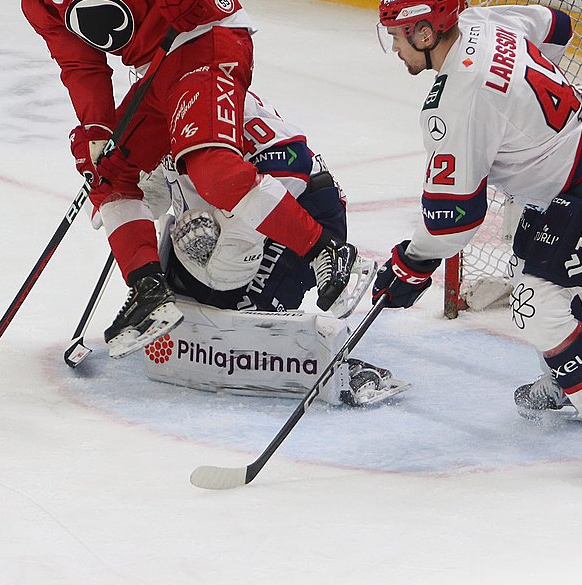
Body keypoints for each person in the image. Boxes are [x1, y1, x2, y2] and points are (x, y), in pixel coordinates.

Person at [0, 0, 357, 358]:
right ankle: (147, 290)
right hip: (157, 72)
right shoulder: (37, 0)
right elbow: (81, 66)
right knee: (107, 171)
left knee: (212, 168)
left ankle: (327, 252)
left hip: (206, 37)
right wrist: (96, 129)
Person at [370, 0, 582, 484]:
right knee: (533, 272)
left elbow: (456, 220)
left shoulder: (459, 101)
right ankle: (566, 381)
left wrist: (409, 264)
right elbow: (557, 26)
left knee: (536, 305)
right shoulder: (480, 21)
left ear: (425, 33)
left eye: (396, 35)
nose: (393, 47)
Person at [137, 90, 406, 406]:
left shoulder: (218, 103)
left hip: (303, 214)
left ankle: (333, 364)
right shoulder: (161, 104)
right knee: (189, 309)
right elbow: (156, 186)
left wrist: (228, 234)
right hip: (228, 223)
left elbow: (295, 162)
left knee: (243, 324)